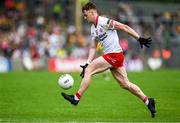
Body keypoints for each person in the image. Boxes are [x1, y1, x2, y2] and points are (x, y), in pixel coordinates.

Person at [61, 2, 156, 118]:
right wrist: (87, 62)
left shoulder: (104, 21)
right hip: (115, 57)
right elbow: (93, 46)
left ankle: (76, 98)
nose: (85, 18)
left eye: (86, 15)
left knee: (89, 70)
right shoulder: (93, 28)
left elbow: (124, 27)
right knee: (125, 84)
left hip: (114, 55)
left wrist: (139, 38)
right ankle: (147, 101)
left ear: (92, 12)